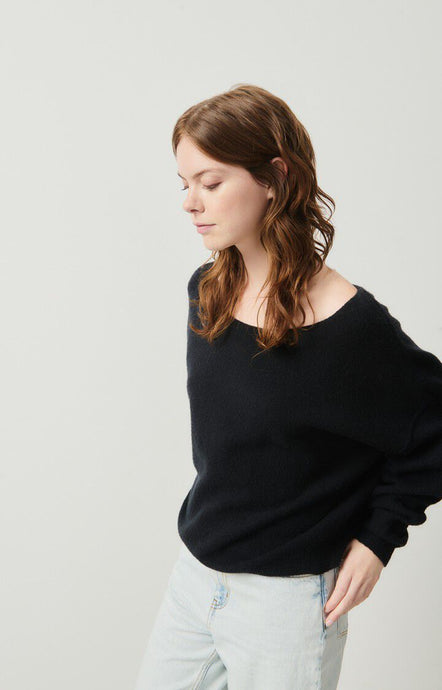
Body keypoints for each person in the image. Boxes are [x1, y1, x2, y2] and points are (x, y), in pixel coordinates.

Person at [134, 84, 442, 689]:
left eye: (210, 182)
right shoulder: (207, 292)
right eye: (185, 183)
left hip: (286, 607)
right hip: (196, 578)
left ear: (275, 177)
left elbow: (435, 427)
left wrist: (377, 540)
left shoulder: (350, 327)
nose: (190, 203)